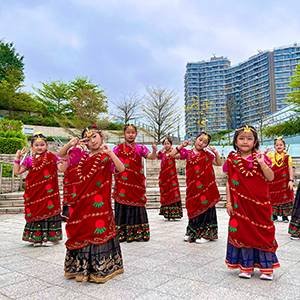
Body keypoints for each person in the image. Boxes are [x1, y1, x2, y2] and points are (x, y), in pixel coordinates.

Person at [60, 125, 125, 283]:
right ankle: (79, 269)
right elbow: (60, 157)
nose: (92, 141)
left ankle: (102, 268)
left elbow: (121, 168)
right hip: (81, 201)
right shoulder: (80, 155)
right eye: (88, 139)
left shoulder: (106, 155)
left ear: (101, 137)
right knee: (82, 229)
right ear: (85, 142)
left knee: (98, 229)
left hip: (99, 203)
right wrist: (70, 144)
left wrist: (110, 153)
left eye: (94, 136)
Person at [224, 125, 279, 280]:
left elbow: (271, 177)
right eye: (241, 138)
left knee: (264, 233)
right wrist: (228, 202)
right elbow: (229, 182)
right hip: (239, 206)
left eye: (249, 139)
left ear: (255, 142)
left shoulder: (261, 157)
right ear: (235, 141)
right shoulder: (231, 159)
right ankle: (246, 267)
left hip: (260, 205)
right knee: (243, 233)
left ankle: (266, 269)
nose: (245, 142)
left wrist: (262, 163)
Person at [172, 132, 222, 243]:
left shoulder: (208, 155)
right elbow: (172, 155)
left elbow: (218, 163)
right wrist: (181, 146)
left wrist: (216, 153)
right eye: (200, 140)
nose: (201, 143)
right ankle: (192, 232)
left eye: (205, 142)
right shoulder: (187, 152)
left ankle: (206, 234)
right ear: (196, 139)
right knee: (193, 209)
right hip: (192, 188)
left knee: (206, 210)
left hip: (206, 189)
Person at [14, 133, 62, 246]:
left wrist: (65, 157)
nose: (40, 147)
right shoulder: (29, 160)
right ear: (32, 147)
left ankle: (49, 238)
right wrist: (17, 158)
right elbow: (17, 172)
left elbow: (61, 168)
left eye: (42, 145)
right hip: (34, 193)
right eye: (36, 145)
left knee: (48, 211)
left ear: (46, 146)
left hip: (48, 193)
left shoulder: (52, 157)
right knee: (35, 212)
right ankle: (36, 238)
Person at [113, 124, 157, 242]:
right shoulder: (117, 148)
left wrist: (154, 150)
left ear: (136, 134)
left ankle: (138, 234)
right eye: (128, 132)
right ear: (124, 134)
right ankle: (121, 234)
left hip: (136, 184)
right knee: (122, 206)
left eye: (133, 132)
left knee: (137, 206)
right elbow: (111, 161)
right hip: (122, 184)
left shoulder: (140, 148)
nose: (130, 134)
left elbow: (151, 157)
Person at [267, 137, 294, 222]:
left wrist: (291, 180)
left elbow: (290, 169)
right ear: (274, 146)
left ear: (284, 146)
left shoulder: (287, 157)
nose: (279, 146)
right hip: (273, 182)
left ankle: (285, 216)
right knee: (273, 197)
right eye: (277, 145)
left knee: (284, 198)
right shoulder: (270, 155)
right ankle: (274, 215)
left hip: (284, 182)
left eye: (281, 145)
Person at [157, 137, 183, 220]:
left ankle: (175, 213)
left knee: (173, 194)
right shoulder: (162, 153)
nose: (166, 145)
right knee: (166, 194)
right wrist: (161, 150)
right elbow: (157, 155)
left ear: (171, 144)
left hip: (172, 178)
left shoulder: (173, 153)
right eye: (164, 143)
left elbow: (180, 155)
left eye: (168, 143)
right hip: (164, 178)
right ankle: (167, 213)